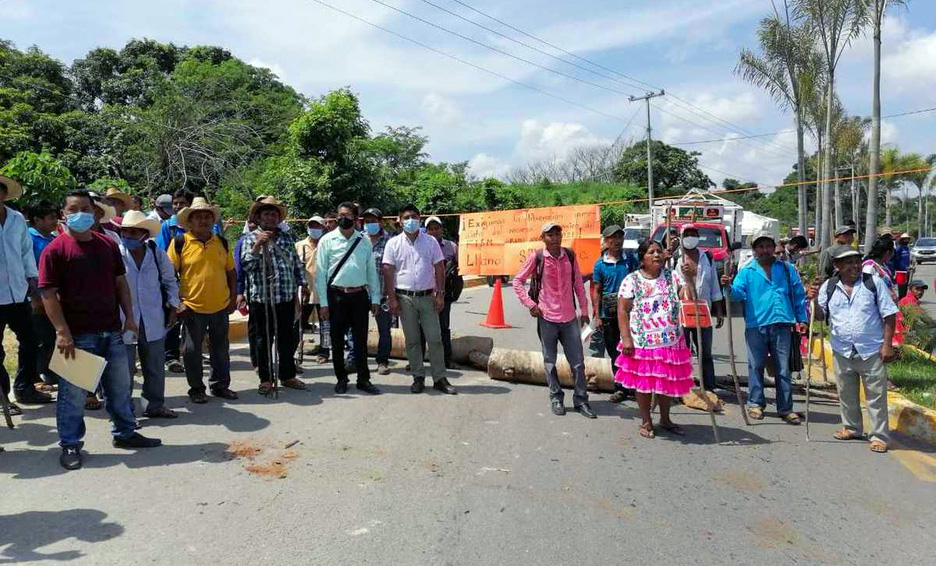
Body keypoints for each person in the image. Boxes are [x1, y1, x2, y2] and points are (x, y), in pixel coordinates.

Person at [39, 190, 161, 470]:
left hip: (112, 331)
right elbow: (48, 294)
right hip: (78, 337)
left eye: (85, 208)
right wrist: (61, 331)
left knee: (120, 389)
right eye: (73, 209)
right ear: (63, 213)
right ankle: (70, 444)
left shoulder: (107, 245)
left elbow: (120, 285)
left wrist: (129, 317)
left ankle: (125, 433)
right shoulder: (55, 250)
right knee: (74, 396)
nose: (79, 213)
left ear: (95, 213)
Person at [808, 249, 898, 454]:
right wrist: (812, 300)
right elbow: (820, 316)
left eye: (857, 261)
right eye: (849, 262)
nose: (855, 266)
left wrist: (887, 345)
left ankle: (879, 436)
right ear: (837, 266)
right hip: (842, 350)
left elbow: (889, 315)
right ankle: (852, 427)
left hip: (870, 350)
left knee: (876, 396)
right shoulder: (829, 287)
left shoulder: (873, 283)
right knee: (846, 393)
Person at [722, 231, 808, 424]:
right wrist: (727, 287)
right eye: (760, 247)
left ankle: (785, 408)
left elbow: (798, 295)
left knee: (783, 368)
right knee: (756, 365)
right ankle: (755, 403)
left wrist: (802, 319)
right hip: (756, 325)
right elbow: (736, 294)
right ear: (754, 250)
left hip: (782, 324)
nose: (765, 250)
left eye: (768, 246)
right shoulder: (747, 271)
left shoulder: (787, 269)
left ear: (774, 247)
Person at [512, 223, 593, 417]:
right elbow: (517, 281)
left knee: (578, 363)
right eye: (550, 235)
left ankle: (581, 400)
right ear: (543, 238)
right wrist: (531, 304)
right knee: (550, 362)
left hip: (569, 318)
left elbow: (578, 285)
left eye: (558, 234)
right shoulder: (537, 257)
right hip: (547, 318)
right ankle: (556, 398)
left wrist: (584, 310)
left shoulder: (570, 256)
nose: (555, 238)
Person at [616, 239, 695, 438]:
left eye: (659, 251)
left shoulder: (673, 277)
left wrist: (689, 279)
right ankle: (646, 422)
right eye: (651, 252)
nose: (657, 255)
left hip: (670, 340)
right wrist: (626, 339)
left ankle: (666, 419)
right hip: (642, 342)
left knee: (665, 382)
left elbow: (690, 298)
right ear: (642, 258)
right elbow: (623, 310)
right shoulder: (631, 280)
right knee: (643, 384)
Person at [167, 197, 238, 404]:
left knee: (221, 349)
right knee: (191, 351)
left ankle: (220, 385)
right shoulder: (180, 243)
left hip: (220, 306)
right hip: (191, 307)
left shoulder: (221, 242)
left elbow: (231, 273)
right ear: (189, 221)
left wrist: (233, 298)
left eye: (207, 217)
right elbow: (169, 275)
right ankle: (196, 389)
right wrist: (177, 302)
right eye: (198, 217)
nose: (203, 221)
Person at [383, 205, 456, 395]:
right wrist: (391, 299)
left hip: (428, 297)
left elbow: (439, 267)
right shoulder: (393, 244)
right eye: (406, 217)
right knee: (412, 340)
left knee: (435, 338)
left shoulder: (430, 242)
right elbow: (388, 271)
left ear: (420, 219)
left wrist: (440, 294)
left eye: (414, 217)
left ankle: (440, 377)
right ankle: (418, 377)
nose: (410, 220)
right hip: (404, 298)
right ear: (399, 220)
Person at [240, 196, 308, 395]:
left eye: (274, 214)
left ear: (279, 218)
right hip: (262, 299)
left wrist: (303, 285)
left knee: (286, 338)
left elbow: (295, 263)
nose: (270, 218)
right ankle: (265, 378)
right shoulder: (250, 239)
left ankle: (287, 375)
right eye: (266, 214)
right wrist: (257, 247)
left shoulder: (287, 238)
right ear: (259, 217)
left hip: (285, 296)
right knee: (263, 340)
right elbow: (247, 266)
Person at [118, 211, 181, 419]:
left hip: (152, 315)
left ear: (144, 235)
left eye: (133, 232)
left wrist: (173, 307)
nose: (128, 236)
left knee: (154, 365)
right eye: (125, 231)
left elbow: (170, 281)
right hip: (123, 317)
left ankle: (154, 404)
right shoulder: (116, 254)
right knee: (124, 369)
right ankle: (124, 412)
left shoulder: (156, 253)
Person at [315, 202, 381, 394]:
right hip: (336, 296)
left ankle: (363, 379)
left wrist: (375, 298)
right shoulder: (327, 240)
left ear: (355, 218)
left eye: (347, 215)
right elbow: (320, 275)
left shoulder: (364, 241)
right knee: (336, 340)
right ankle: (341, 378)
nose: (342, 218)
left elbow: (371, 273)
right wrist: (324, 304)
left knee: (360, 340)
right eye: (340, 214)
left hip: (359, 296)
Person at [0, 175, 49, 412]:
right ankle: (2, 397)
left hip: (18, 293)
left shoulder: (16, 219)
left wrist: (33, 283)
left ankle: (24, 386)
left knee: (30, 340)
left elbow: (25, 253)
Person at [674, 224, 725, 392]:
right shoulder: (676, 259)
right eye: (687, 234)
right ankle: (683, 384)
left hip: (704, 311)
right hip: (683, 312)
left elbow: (714, 286)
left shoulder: (707, 257)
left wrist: (718, 310)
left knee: (705, 352)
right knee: (683, 350)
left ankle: (709, 386)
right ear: (681, 237)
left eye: (693, 234)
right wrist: (687, 278)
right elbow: (678, 291)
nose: (690, 237)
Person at [590, 225, 637, 403]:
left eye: (619, 237)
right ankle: (620, 387)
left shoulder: (631, 261)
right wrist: (598, 315)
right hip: (609, 315)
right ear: (606, 241)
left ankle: (634, 384)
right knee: (614, 351)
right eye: (612, 238)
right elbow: (597, 290)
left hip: (631, 314)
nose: (616, 241)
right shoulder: (600, 265)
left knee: (632, 349)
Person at [27, 201, 60, 390]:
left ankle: (52, 373)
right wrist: (34, 297)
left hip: (54, 297)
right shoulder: (30, 239)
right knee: (41, 338)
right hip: (37, 298)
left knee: (52, 337)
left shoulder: (54, 238)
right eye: (51, 218)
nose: (55, 221)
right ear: (37, 220)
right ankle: (40, 376)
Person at [363, 208, 394, 374]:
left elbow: (394, 269)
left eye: (373, 221)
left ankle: (383, 361)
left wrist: (392, 295)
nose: (370, 224)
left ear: (380, 222)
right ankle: (357, 360)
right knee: (358, 329)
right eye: (367, 221)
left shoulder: (390, 240)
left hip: (383, 294)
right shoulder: (358, 239)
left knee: (384, 330)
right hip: (361, 294)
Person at [424, 215, 458, 368]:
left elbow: (461, 268)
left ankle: (446, 359)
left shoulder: (452, 247)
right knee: (421, 327)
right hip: (424, 293)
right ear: (426, 231)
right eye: (430, 229)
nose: (434, 231)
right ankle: (418, 360)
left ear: (442, 229)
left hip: (443, 293)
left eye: (436, 228)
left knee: (443, 327)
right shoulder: (420, 246)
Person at [296, 216, 330, 364]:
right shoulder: (298, 246)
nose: (314, 229)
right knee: (298, 325)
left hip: (324, 293)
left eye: (318, 226)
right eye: (312, 226)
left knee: (326, 326)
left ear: (323, 228)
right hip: (305, 292)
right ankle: (297, 350)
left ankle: (324, 352)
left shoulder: (328, 244)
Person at [889, 233, 912, 297]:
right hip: (900, 270)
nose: (906, 240)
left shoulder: (907, 248)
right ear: (902, 240)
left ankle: (904, 298)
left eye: (908, 239)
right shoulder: (899, 248)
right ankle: (901, 299)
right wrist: (897, 268)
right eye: (905, 239)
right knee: (901, 286)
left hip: (907, 270)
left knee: (905, 285)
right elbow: (895, 258)